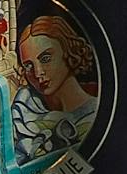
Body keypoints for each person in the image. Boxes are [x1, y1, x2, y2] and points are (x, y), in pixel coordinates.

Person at [11, 13, 100, 164]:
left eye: (45, 59)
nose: (38, 73)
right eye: (28, 66)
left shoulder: (94, 111)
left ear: (69, 52)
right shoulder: (23, 109)